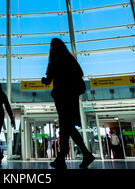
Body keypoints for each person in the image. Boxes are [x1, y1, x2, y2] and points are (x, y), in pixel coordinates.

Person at [41, 38, 95, 170]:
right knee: (67, 127)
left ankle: (82, 154)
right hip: (72, 96)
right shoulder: (69, 58)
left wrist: (45, 80)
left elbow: (48, 81)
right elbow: (80, 73)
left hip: (61, 96)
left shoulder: (54, 61)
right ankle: (62, 158)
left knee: (67, 126)